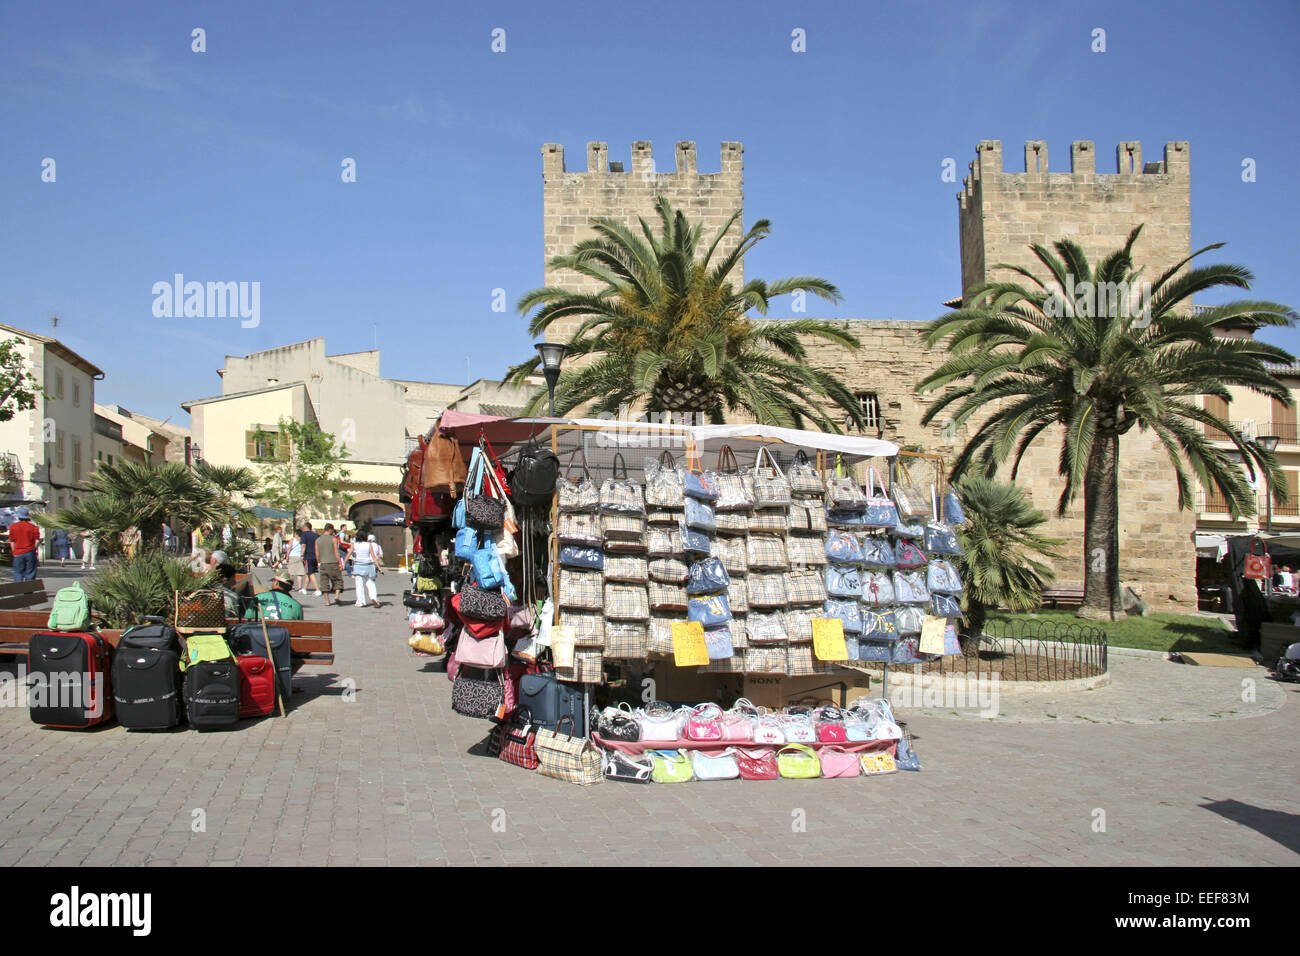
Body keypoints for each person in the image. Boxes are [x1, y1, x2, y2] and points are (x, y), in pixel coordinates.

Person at [314, 523, 345, 606]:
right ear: (330, 529)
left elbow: (317, 554)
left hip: (323, 563)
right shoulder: (333, 539)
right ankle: (337, 595)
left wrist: (318, 562)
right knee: (338, 580)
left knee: (324, 583)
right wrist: (340, 563)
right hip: (333, 562)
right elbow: (336, 552)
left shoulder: (318, 540)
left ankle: (327, 601)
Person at [8, 508, 41, 582]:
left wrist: (14, 551)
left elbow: (12, 541)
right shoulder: (33, 527)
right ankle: (29, 592)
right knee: (30, 573)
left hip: (18, 552)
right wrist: (34, 548)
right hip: (30, 552)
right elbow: (37, 540)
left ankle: (18, 590)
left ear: (19, 516)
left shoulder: (13, 526)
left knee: (18, 573)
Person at [351, 533, 383, 608]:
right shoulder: (369, 545)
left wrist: (343, 563)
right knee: (370, 583)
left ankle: (360, 601)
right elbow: (373, 557)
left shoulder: (355, 544)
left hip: (358, 565)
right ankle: (374, 598)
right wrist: (379, 568)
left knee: (359, 584)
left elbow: (349, 553)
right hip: (368, 565)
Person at [299, 522, 320, 596]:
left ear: (305, 527)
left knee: (310, 573)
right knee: (308, 572)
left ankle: (317, 589)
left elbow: (303, 545)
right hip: (315, 556)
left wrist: (301, 555)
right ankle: (304, 588)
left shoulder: (304, 534)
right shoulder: (316, 535)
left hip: (308, 556)